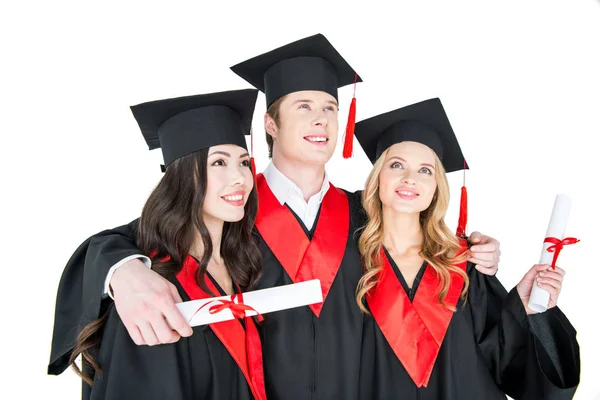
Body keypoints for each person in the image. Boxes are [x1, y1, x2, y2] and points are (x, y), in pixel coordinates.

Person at [49, 34, 501, 400]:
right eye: (303, 107)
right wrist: (123, 271)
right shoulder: (228, 208)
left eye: (329, 108)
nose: (321, 120)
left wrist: (474, 252)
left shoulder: (367, 218)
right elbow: (132, 238)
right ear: (269, 124)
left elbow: (422, 274)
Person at [353, 98, 580, 399]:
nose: (410, 178)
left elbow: (503, 361)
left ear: (436, 187)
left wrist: (527, 308)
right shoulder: (350, 261)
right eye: (397, 165)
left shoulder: (464, 263)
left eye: (425, 170)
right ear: (377, 177)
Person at [50, 89, 267, 400]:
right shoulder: (149, 296)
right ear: (182, 176)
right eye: (219, 163)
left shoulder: (246, 262)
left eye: (244, 163)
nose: (240, 178)